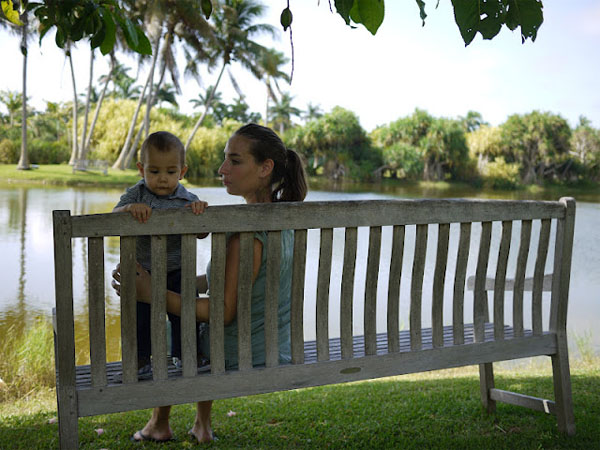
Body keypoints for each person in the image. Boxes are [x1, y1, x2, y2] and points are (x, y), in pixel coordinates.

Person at [112, 123, 308, 444]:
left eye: (234, 160)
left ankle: (160, 424)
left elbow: (223, 312)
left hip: (241, 352)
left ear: (265, 168)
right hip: (276, 345)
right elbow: (248, 283)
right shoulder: (284, 221)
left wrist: (152, 293)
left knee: (177, 331)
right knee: (185, 321)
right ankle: (199, 425)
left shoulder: (244, 236)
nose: (222, 169)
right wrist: (179, 284)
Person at [113, 131, 208, 374]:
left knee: (184, 314)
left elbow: (203, 233)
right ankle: (142, 358)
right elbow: (112, 217)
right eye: (154, 172)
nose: (162, 179)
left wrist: (199, 212)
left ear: (182, 172)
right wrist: (128, 208)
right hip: (144, 272)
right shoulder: (137, 194)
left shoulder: (187, 198)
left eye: (170, 172)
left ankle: (186, 353)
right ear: (141, 169)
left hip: (177, 270)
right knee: (141, 317)